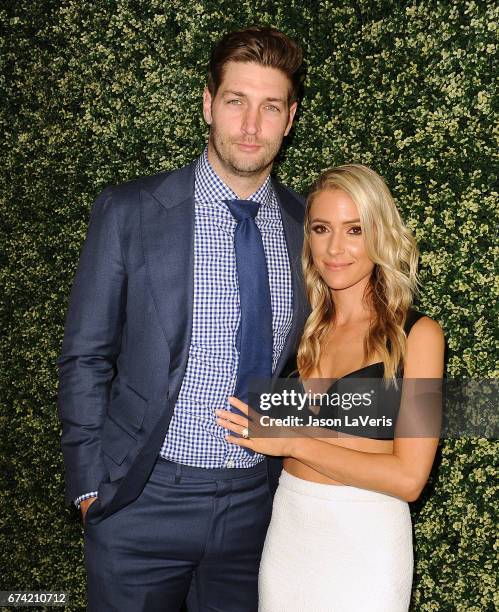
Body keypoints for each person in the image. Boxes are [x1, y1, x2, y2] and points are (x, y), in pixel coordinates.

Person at [57, 26, 308, 611]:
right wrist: (91, 485)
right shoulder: (131, 211)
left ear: (289, 119)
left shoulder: (307, 227)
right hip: (141, 501)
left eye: (270, 107)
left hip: (257, 510)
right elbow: (85, 356)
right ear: (207, 104)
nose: (251, 125)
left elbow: (316, 364)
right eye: (235, 101)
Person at [216, 164, 445, 611]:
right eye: (321, 229)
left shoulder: (418, 336)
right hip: (288, 536)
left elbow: (409, 478)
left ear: (379, 234)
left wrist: (293, 442)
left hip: (367, 545)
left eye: (354, 229)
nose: (335, 248)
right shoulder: (300, 330)